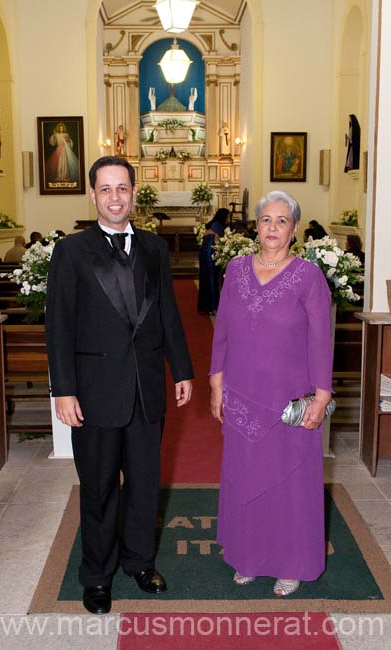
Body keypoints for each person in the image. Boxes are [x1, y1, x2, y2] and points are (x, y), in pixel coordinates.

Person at [45, 155, 193, 615]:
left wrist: (182, 368)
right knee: (100, 487)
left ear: (133, 192)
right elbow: (60, 327)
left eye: (122, 188)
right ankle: (96, 576)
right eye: (105, 189)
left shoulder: (153, 248)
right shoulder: (71, 251)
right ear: (92, 195)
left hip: (146, 389)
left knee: (145, 484)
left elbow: (168, 312)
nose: (115, 197)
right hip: (94, 392)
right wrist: (63, 390)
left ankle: (139, 562)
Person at [210, 190, 333, 597]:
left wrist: (320, 395)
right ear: (256, 226)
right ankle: (248, 556)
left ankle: (289, 563)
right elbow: (222, 329)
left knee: (288, 484)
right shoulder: (235, 270)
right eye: (266, 219)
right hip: (242, 394)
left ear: (295, 229)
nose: (273, 228)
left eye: (282, 221)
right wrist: (216, 381)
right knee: (246, 477)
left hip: (288, 399)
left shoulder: (309, 276)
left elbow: (320, 340)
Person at [198, 208, 230, 315]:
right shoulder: (218, 226)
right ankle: (212, 306)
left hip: (205, 253)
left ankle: (207, 306)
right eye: (228, 216)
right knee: (211, 279)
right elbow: (218, 242)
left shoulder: (214, 224)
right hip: (210, 255)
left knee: (207, 279)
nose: (229, 219)